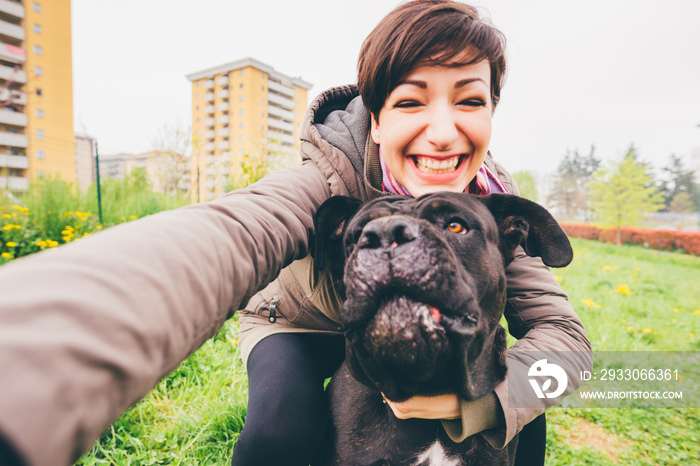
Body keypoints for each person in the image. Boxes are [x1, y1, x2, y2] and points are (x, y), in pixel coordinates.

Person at [0, 1, 591, 465]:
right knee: (283, 427)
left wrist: (486, 406)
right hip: (304, 324)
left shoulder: (490, 212)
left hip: (426, 320)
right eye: (412, 101)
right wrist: (36, 356)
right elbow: (230, 235)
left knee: (525, 405)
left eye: (469, 100)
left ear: (491, 114)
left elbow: (566, 340)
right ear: (378, 118)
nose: (442, 132)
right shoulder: (325, 175)